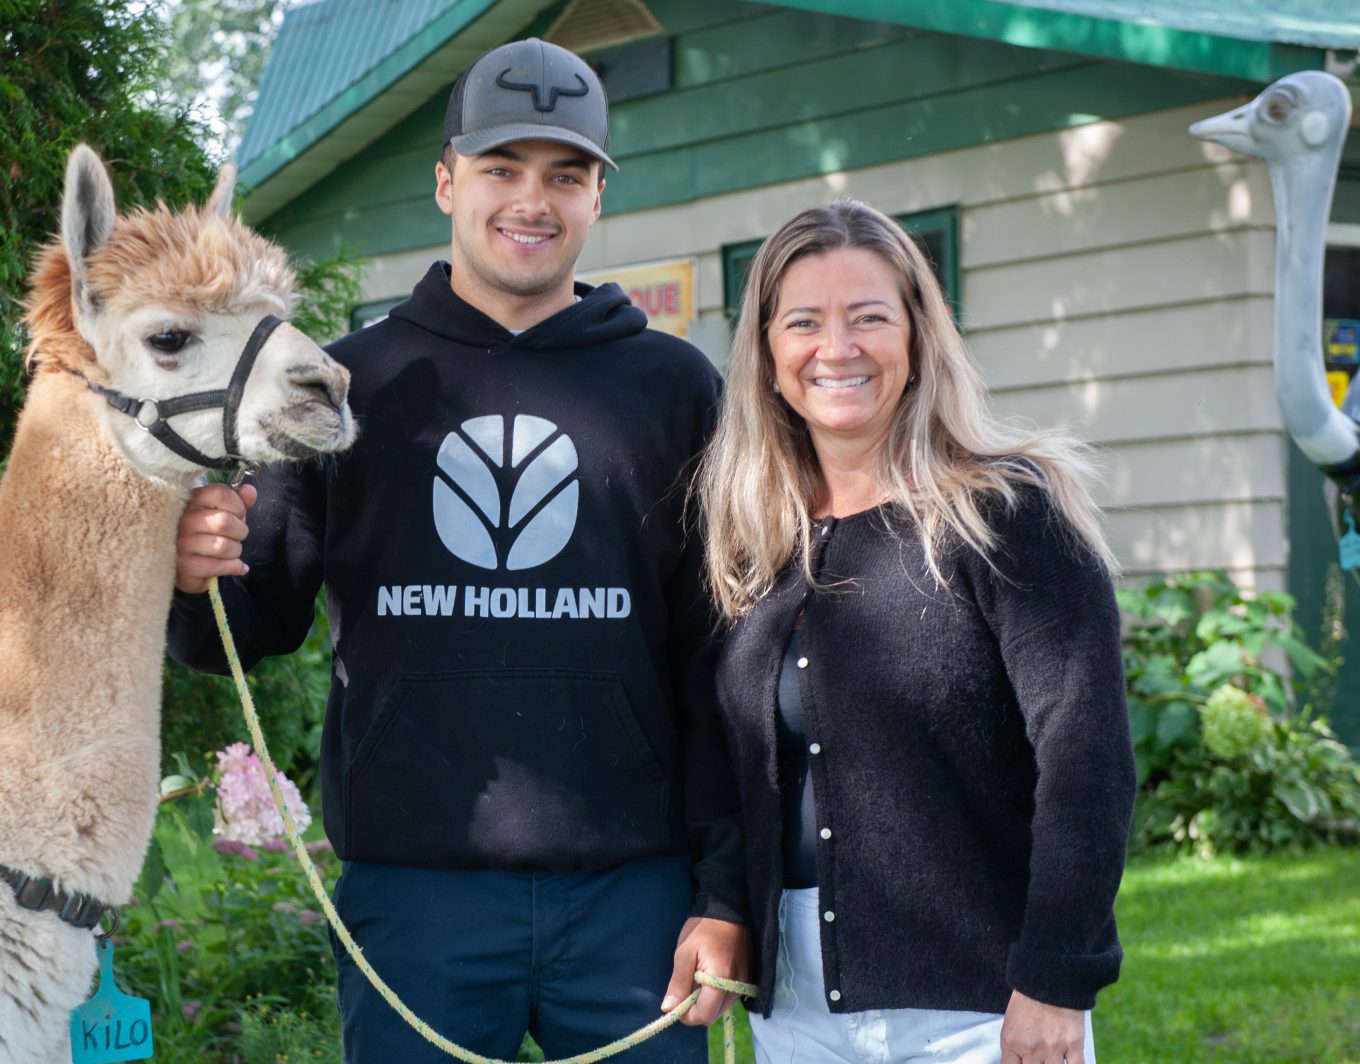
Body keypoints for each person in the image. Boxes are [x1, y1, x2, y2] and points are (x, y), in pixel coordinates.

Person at [166, 37, 749, 1063]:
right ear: (445, 180)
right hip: (414, 894)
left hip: (631, 896)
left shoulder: (675, 388)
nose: (533, 199)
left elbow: (718, 663)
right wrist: (186, 570)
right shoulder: (344, 384)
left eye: (564, 175)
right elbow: (240, 628)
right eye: (500, 169)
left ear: (598, 197)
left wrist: (722, 887)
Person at [696, 200, 1134, 1064]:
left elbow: (1088, 759)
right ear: (767, 355)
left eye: (870, 318)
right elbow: (729, 765)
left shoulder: (1007, 512)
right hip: (795, 1012)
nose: (838, 348)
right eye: (804, 322)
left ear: (918, 336)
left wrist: (1055, 977)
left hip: (981, 1007)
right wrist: (721, 903)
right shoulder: (755, 540)